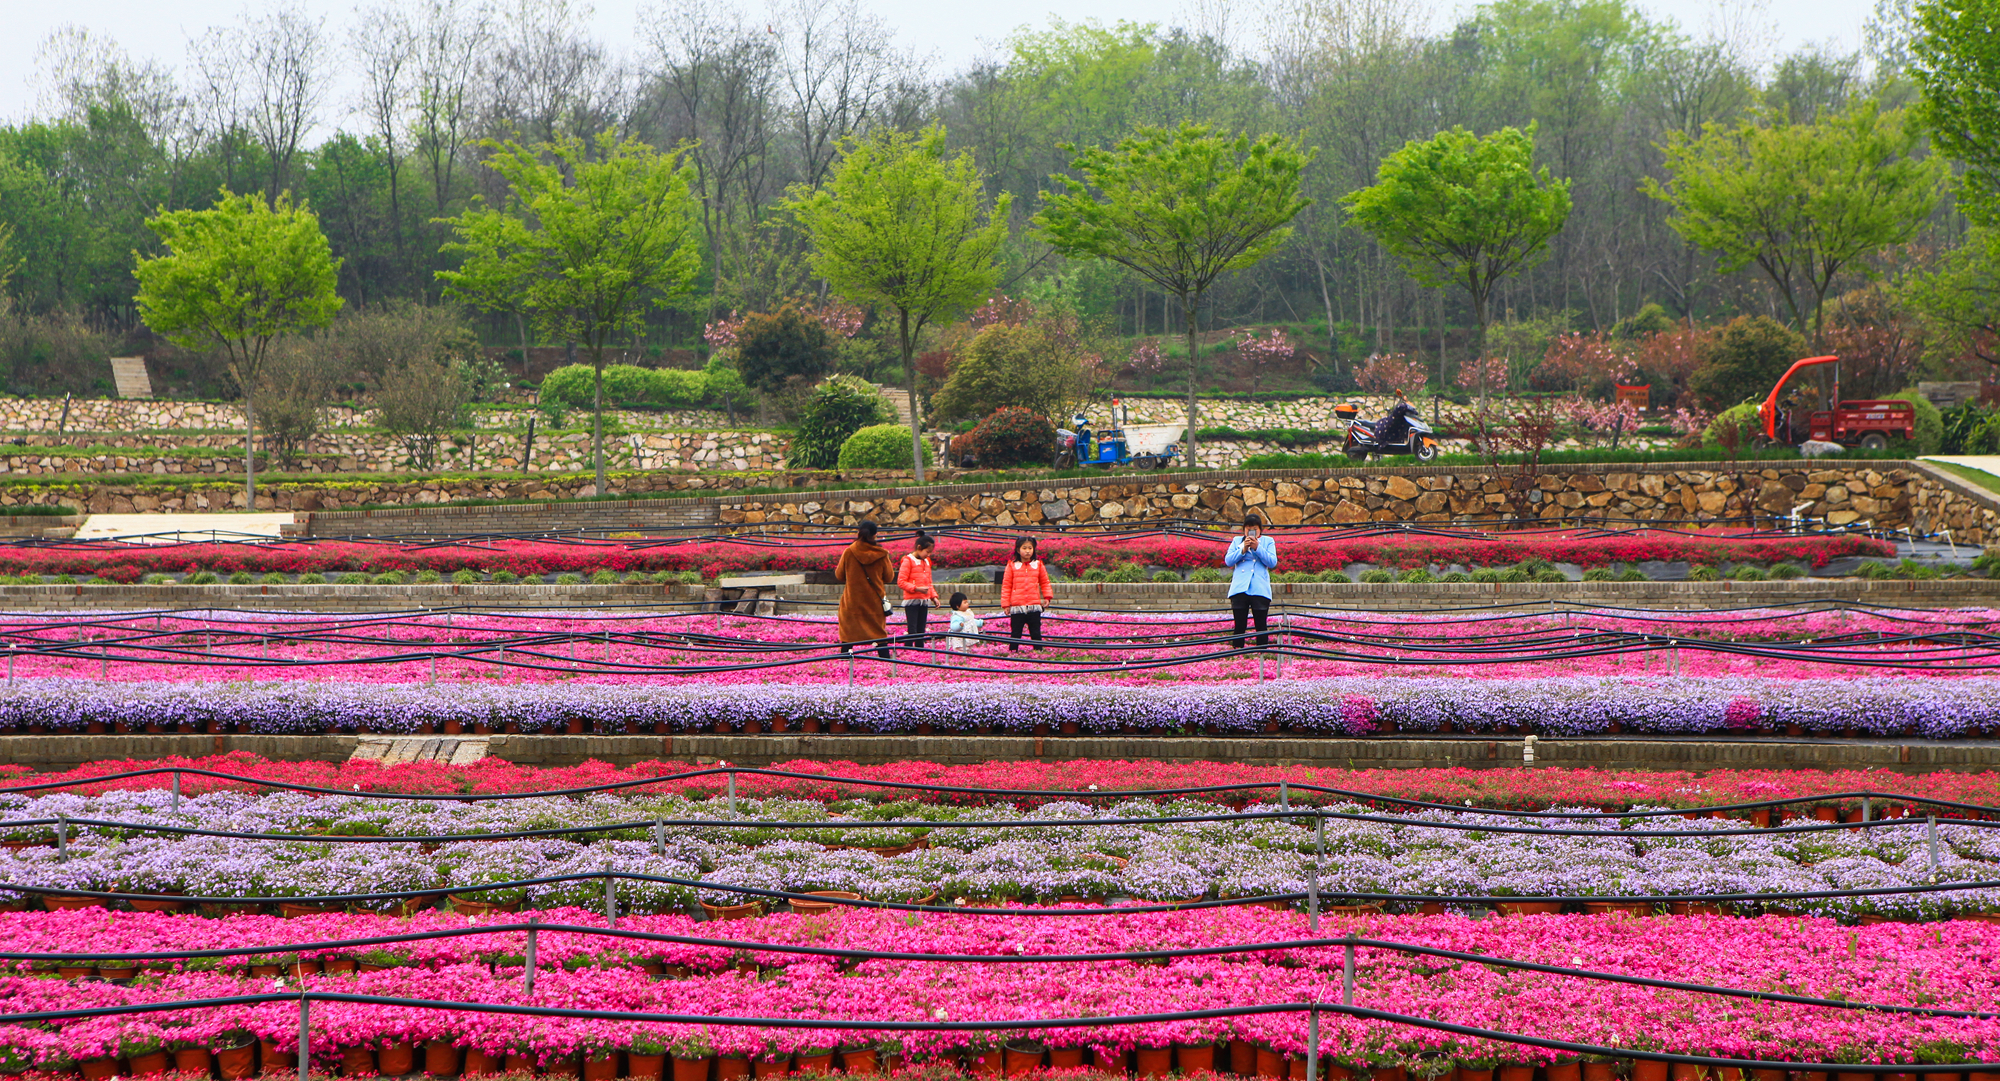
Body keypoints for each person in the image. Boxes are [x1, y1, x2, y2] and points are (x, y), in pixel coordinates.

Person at [834, 520, 895, 658]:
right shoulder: (881, 554)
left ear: (858, 533)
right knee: (879, 634)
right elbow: (889, 577)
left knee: (848, 635)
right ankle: (885, 661)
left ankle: (844, 662)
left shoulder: (849, 552)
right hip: (874, 603)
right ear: (875, 535)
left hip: (852, 602)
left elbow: (839, 575)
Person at [1223, 513, 1278, 648]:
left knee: (1261, 624)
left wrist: (1257, 547)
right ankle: (1237, 652)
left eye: (1254, 528)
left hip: (1259, 587)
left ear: (1260, 529)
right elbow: (1228, 560)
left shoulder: (1268, 541)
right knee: (1239, 624)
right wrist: (1243, 548)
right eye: (1248, 528)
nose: (1251, 531)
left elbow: (1272, 562)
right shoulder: (1237, 541)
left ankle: (1262, 653)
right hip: (1240, 587)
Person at [1000, 536, 1054, 652]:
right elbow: (1006, 586)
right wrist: (1005, 605)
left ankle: (1038, 652)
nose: (1028, 551)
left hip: (1034, 605)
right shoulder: (1012, 565)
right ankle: (1013, 653)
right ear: (1018, 550)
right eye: (1024, 548)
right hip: (1017, 606)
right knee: (1016, 632)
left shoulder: (1038, 565)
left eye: (1030, 548)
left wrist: (1047, 597)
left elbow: (1045, 582)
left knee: (1035, 632)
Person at [897, 529, 940, 648]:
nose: (929, 554)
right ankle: (910, 649)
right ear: (919, 548)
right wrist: (916, 588)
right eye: (927, 551)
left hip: (924, 599)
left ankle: (919, 649)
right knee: (913, 627)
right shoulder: (908, 560)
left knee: (921, 627)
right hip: (912, 599)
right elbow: (901, 582)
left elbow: (929, 582)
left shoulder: (926, 561)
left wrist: (934, 597)